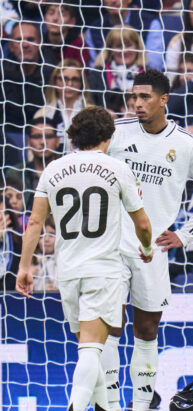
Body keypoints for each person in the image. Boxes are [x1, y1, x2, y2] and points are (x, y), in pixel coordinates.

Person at [15, 106, 154, 411]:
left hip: (67, 272)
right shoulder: (118, 169)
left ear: (73, 136)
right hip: (102, 272)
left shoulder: (53, 169)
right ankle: (75, 406)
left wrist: (24, 266)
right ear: (109, 135)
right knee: (91, 351)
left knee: (90, 350)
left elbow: (35, 222)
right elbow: (143, 224)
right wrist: (146, 249)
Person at [104, 69, 193, 411]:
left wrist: (186, 234)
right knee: (110, 327)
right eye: (134, 97)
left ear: (164, 99)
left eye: (145, 97)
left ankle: (142, 405)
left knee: (147, 329)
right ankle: (108, 404)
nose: (137, 103)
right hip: (112, 246)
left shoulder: (186, 143)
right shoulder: (116, 133)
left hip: (152, 250)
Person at [35, 59, 94, 151]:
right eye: (64, 79)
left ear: (82, 83)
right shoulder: (43, 114)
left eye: (75, 79)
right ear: (55, 81)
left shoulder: (92, 113)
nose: (69, 84)